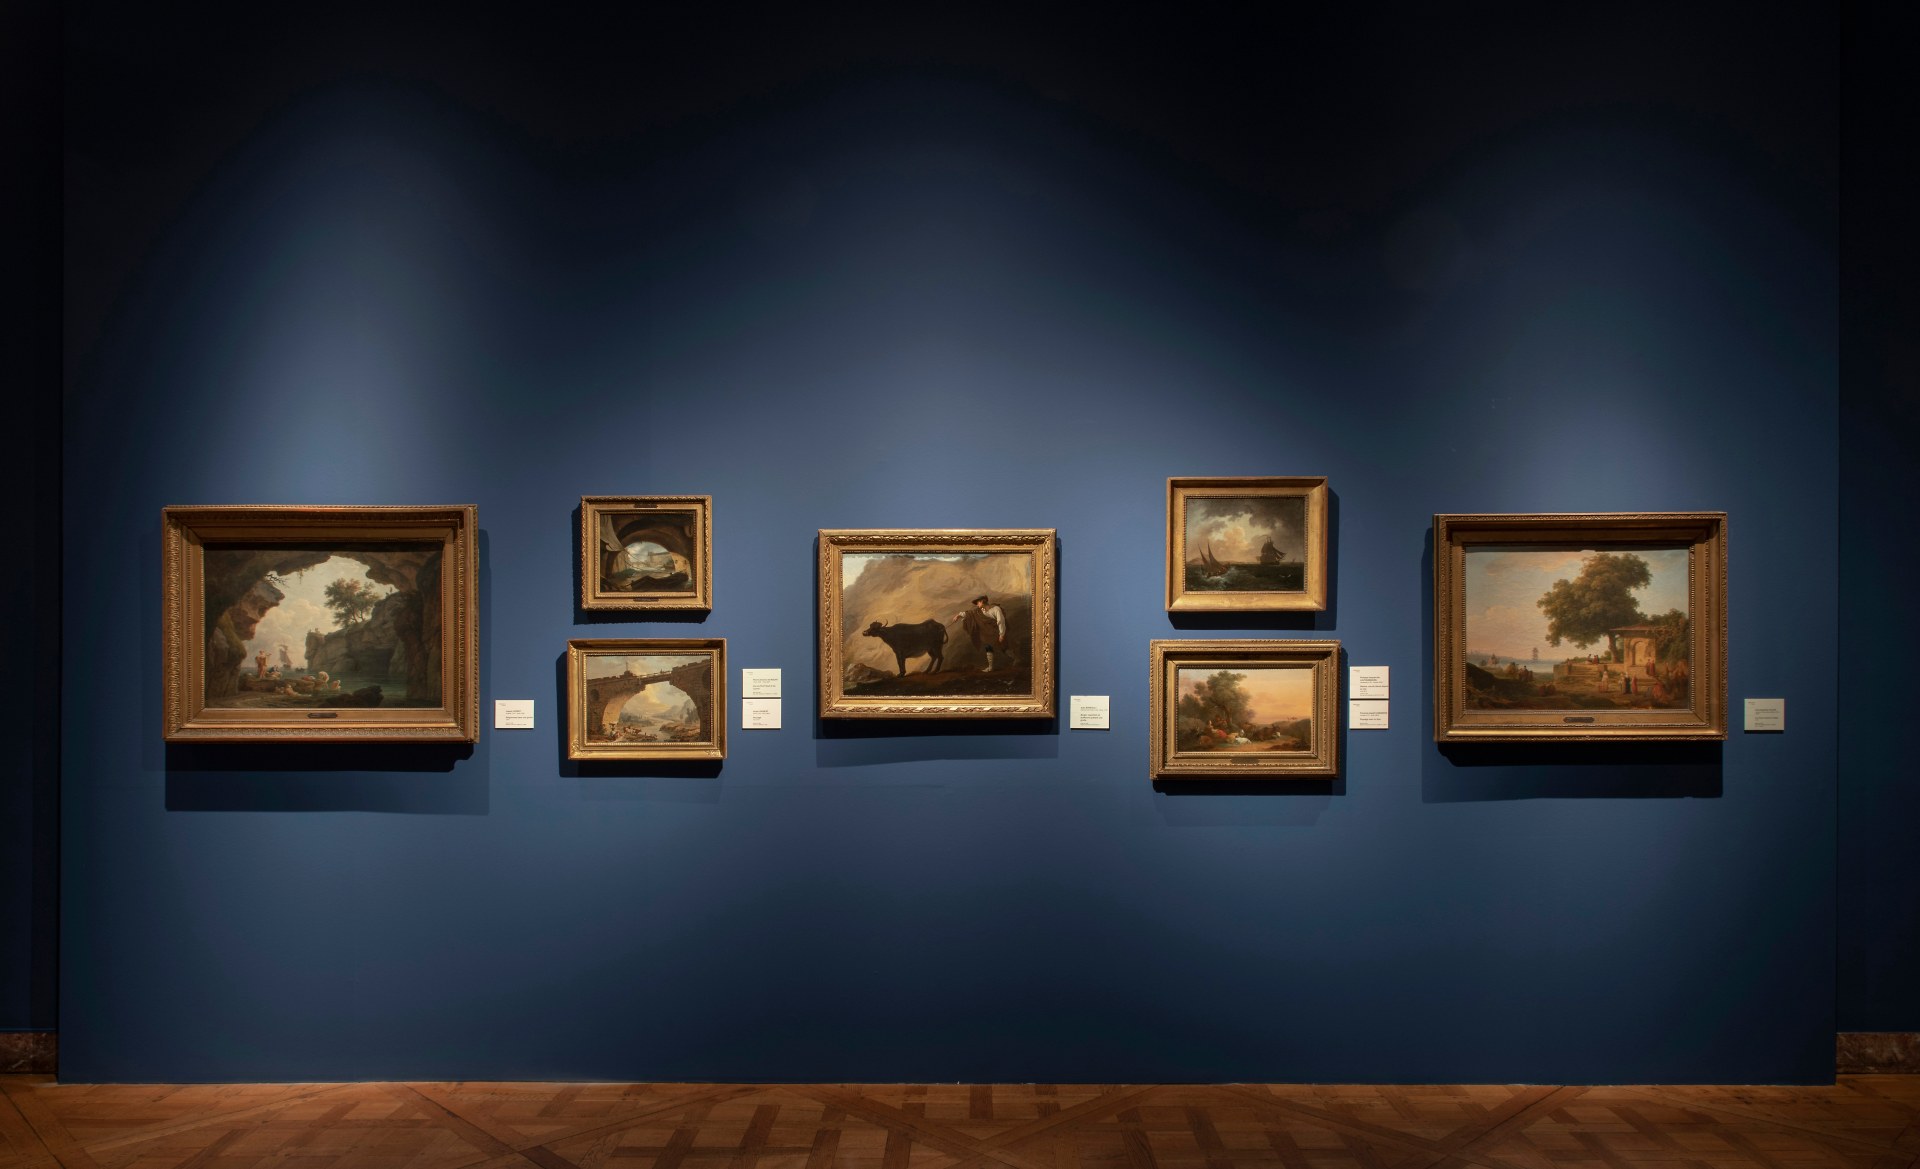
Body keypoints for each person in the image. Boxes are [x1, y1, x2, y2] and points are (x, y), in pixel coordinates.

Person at [951, 595, 1010, 672]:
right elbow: (969, 613)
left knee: (1004, 646)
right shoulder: (979, 611)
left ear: (982, 601)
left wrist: (1001, 634)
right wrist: (958, 616)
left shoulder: (996, 609)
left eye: (978, 602)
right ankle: (990, 667)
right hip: (987, 634)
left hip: (997, 632)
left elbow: (1001, 622)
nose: (977, 604)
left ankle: (1014, 659)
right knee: (988, 647)